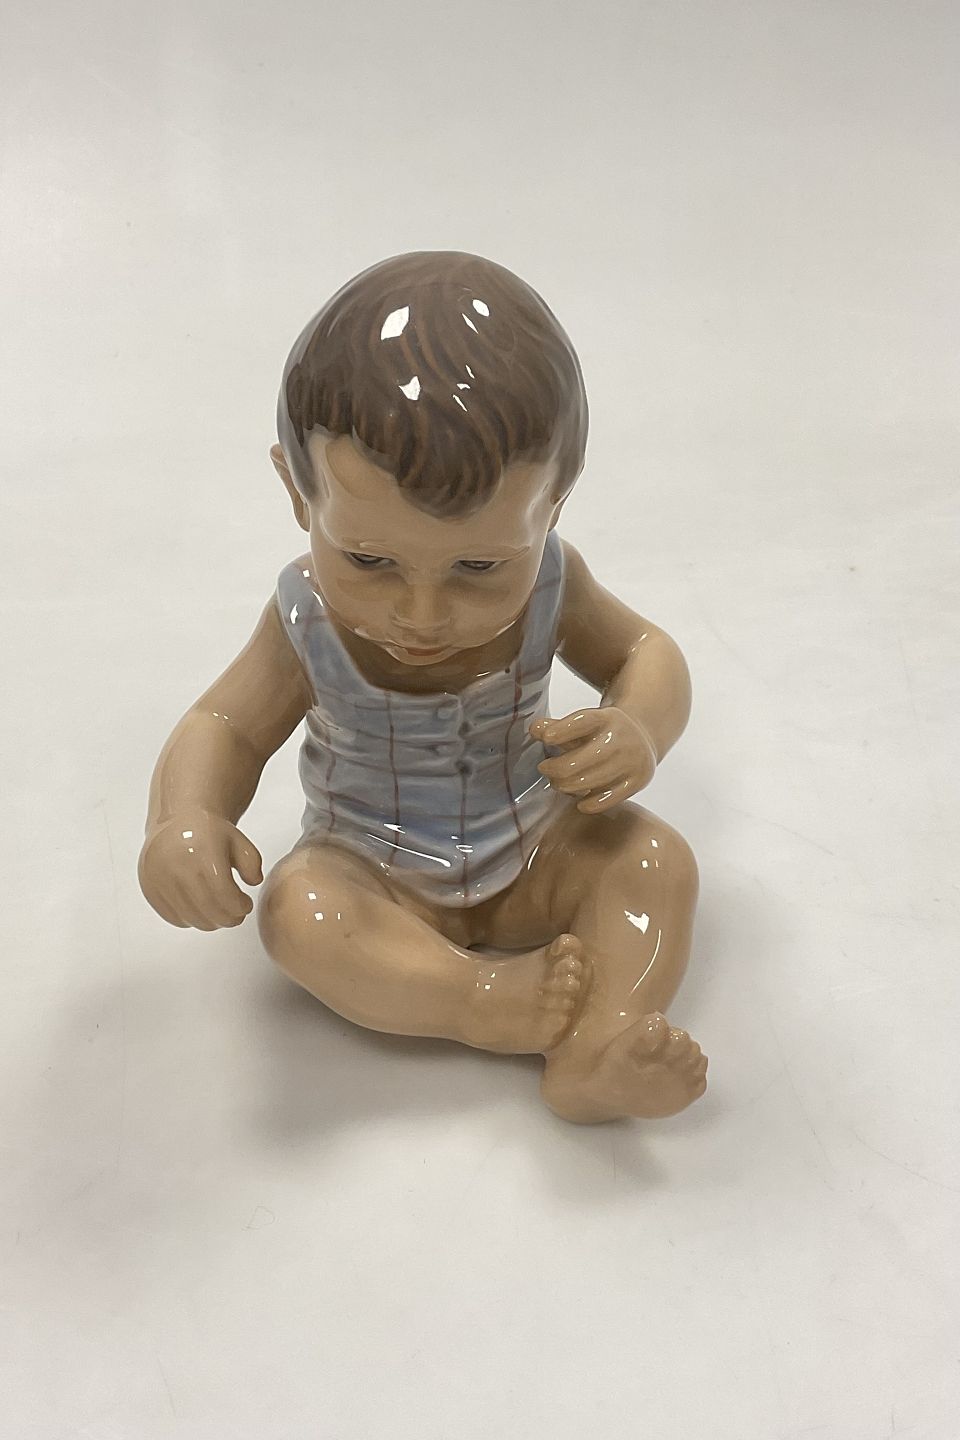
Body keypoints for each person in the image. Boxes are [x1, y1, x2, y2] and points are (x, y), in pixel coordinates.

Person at [138, 251, 706, 1123]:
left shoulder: (557, 584)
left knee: (652, 861)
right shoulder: (304, 619)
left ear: (553, 505)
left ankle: (600, 1049)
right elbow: (226, 724)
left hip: (536, 847)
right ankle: (479, 999)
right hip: (371, 870)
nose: (422, 613)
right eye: (369, 560)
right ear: (298, 493)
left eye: (480, 567)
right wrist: (184, 819)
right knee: (300, 915)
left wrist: (638, 725)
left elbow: (646, 651)